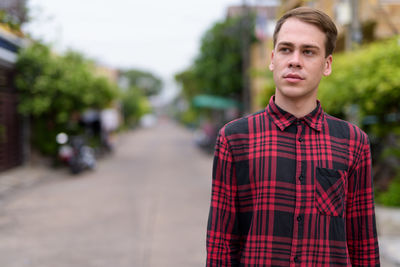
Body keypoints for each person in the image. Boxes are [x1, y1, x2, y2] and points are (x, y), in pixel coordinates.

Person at [206, 7, 380, 266]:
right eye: (286, 49)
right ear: (273, 58)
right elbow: (221, 242)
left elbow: (362, 243)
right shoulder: (235, 139)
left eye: (308, 51)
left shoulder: (353, 142)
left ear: (327, 64)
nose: (295, 60)